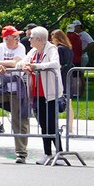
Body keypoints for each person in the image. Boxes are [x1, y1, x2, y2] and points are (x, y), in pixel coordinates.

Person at [0, 25, 30, 163]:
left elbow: (16, 62)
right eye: (14, 37)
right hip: (3, 87)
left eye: (17, 36)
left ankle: (21, 153)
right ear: (6, 38)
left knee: (19, 121)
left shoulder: (20, 47)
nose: (17, 39)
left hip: (18, 88)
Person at [18, 26, 63, 164]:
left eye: (31, 37)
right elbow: (21, 62)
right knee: (43, 124)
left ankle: (59, 154)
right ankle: (47, 153)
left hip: (50, 93)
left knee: (51, 124)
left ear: (39, 39)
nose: (29, 40)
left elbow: (55, 63)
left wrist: (36, 66)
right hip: (37, 93)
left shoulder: (51, 49)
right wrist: (25, 65)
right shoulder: (33, 51)